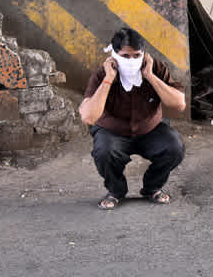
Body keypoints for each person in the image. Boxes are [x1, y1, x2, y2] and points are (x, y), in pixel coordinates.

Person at [79, 28, 186, 210]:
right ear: (114, 55)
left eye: (137, 56)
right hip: (113, 132)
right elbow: (88, 116)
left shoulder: (156, 68)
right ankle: (116, 191)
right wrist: (108, 80)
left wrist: (150, 77)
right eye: (125, 56)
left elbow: (179, 104)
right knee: (104, 151)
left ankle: (152, 187)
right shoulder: (101, 75)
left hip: (149, 130)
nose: (132, 61)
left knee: (174, 147)